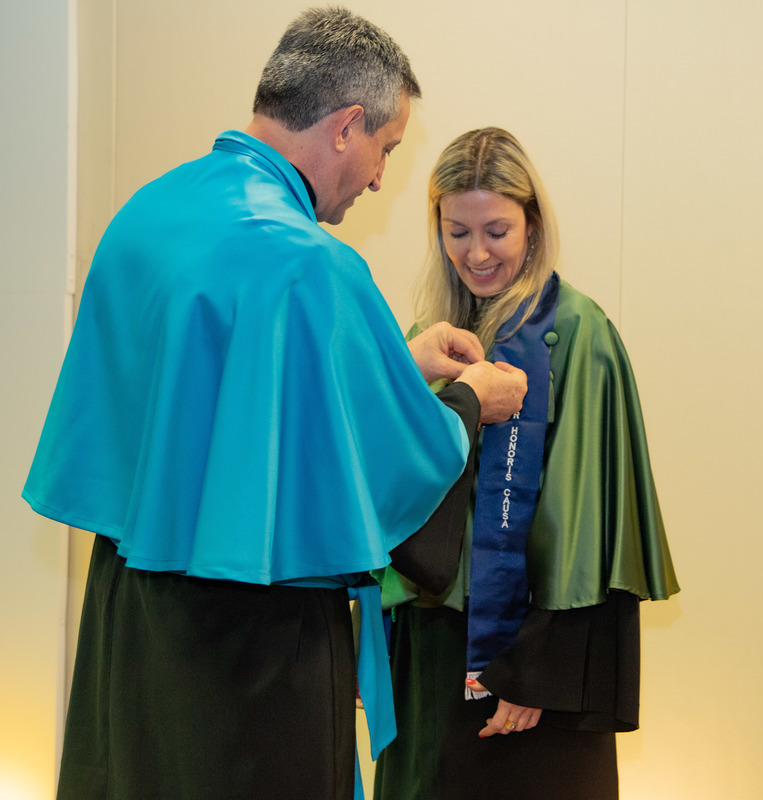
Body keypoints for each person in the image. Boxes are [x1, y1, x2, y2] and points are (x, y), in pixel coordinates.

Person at [22, 9, 526, 800]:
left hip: (135, 610)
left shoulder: (149, 214)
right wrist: (469, 399)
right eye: (387, 149)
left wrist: (396, 362)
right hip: (256, 644)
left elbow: (225, 401)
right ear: (346, 126)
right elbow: (392, 466)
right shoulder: (309, 264)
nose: (379, 178)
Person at [371, 127, 679, 800]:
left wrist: (536, 672)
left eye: (497, 231)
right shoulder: (428, 338)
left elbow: (587, 522)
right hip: (430, 643)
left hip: (525, 654)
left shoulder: (579, 334)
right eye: (457, 232)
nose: (476, 253)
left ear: (533, 225)